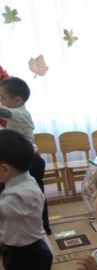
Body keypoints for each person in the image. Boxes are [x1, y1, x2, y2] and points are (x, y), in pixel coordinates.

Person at [0, 129, 52, 270]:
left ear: (5, 169)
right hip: (24, 251)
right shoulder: (25, 180)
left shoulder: (19, 195)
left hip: (26, 257)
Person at [0, 76, 51, 234]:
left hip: (30, 161)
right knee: (17, 194)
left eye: (2, 98)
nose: (1, 101)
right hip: (19, 160)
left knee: (34, 195)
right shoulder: (13, 111)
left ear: (17, 100)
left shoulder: (21, 114)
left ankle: (43, 227)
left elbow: (4, 112)